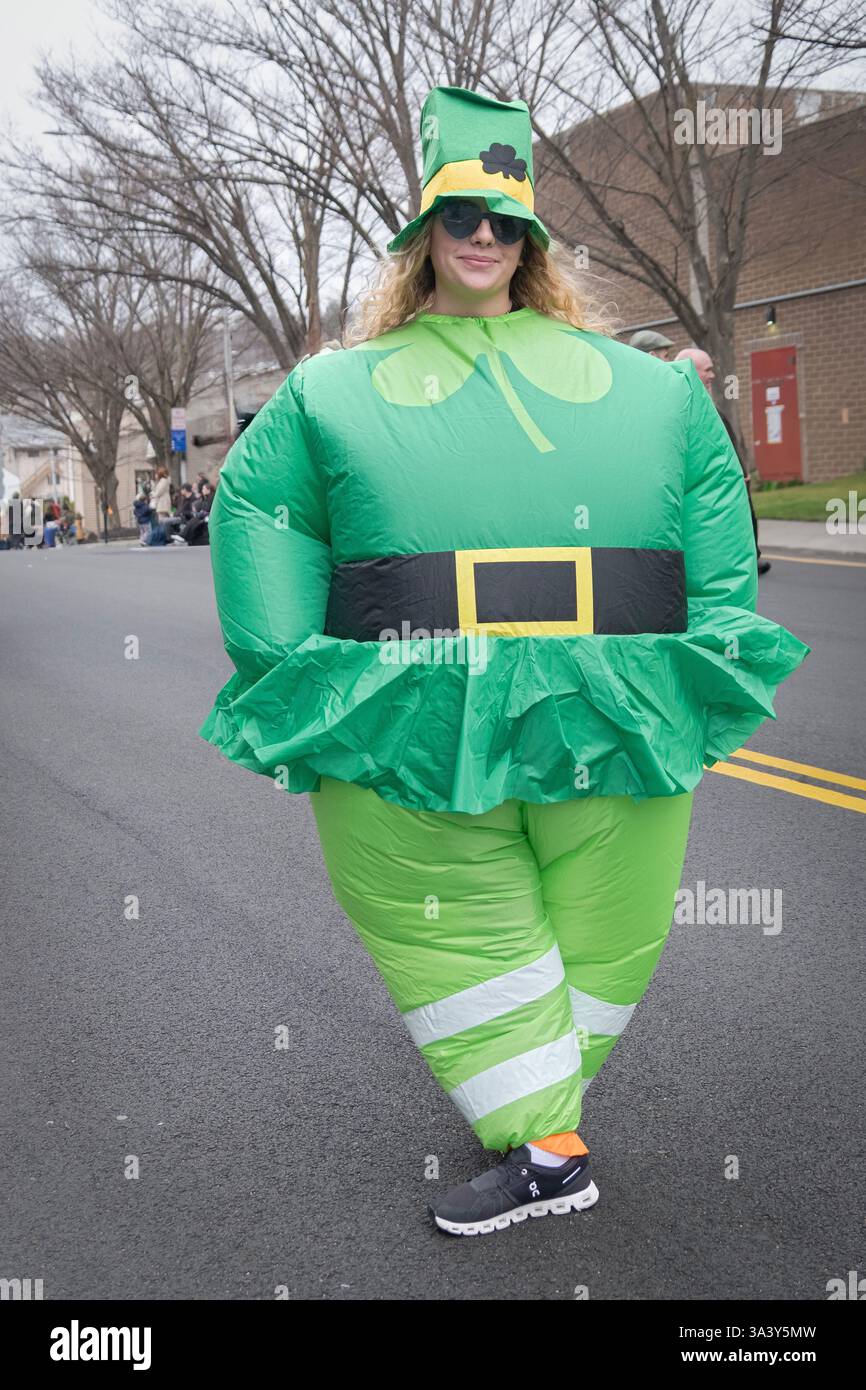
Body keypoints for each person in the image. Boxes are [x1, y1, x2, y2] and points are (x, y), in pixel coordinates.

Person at [199, 86, 809, 1237]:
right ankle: (545, 1130)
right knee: (449, 914)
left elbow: (712, 520)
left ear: (528, 240)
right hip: (420, 706)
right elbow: (262, 511)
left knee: (598, 918)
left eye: (504, 220)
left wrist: (705, 654)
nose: (482, 236)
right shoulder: (334, 390)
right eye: (460, 213)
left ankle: (544, 1131)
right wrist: (304, 676)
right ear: (421, 231)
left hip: (603, 701)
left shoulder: (644, 390)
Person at [674, 347, 770, 575]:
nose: (713, 376)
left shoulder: (707, 408)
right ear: (690, 370)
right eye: (707, 370)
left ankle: (748, 559)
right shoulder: (685, 410)